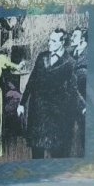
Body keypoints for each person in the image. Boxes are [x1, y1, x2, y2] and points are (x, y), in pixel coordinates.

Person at [17, 29, 80, 159]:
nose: (49, 43)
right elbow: (32, 80)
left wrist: (73, 109)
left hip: (56, 115)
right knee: (36, 151)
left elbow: (73, 90)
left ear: (62, 42)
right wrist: (22, 103)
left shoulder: (70, 62)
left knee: (56, 153)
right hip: (38, 112)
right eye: (49, 40)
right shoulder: (42, 56)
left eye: (53, 41)